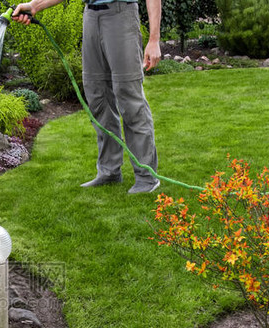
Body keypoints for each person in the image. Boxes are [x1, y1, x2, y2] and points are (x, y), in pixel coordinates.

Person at [12, 0, 162, 194]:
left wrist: (154, 39)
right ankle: (109, 170)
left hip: (120, 14)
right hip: (90, 16)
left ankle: (146, 177)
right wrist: (34, 6)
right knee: (97, 95)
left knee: (129, 97)